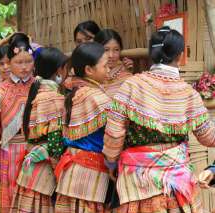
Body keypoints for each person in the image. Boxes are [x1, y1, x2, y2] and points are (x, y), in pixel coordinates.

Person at [103, 26, 215, 213]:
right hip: (177, 184)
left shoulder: (131, 86)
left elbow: (114, 133)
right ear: (180, 55)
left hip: (137, 183)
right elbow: (209, 137)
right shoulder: (189, 94)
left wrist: (111, 162)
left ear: (151, 54)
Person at [0, 34, 35, 213]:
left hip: (36, 153)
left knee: (35, 200)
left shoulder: (42, 87)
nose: (25, 67)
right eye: (19, 62)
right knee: (11, 201)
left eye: (28, 61)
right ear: (9, 63)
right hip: (9, 154)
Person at [54, 42, 111, 213]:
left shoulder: (73, 92)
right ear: (89, 70)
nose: (109, 69)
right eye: (105, 65)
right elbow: (115, 133)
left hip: (71, 170)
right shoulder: (96, 98)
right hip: (91, 174)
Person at [11, 47, 68, 212]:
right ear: (59, 71)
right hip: (44, 174)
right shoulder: (54, 98)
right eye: (65, 69)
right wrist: (59, 172)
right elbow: (55, 143)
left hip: (30, 171)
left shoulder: (36, 93)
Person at [94, 29, 133, 97]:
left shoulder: (126, 76)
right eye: (106, 50)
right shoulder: (91, 74)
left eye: (116, 50)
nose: (111, 55)